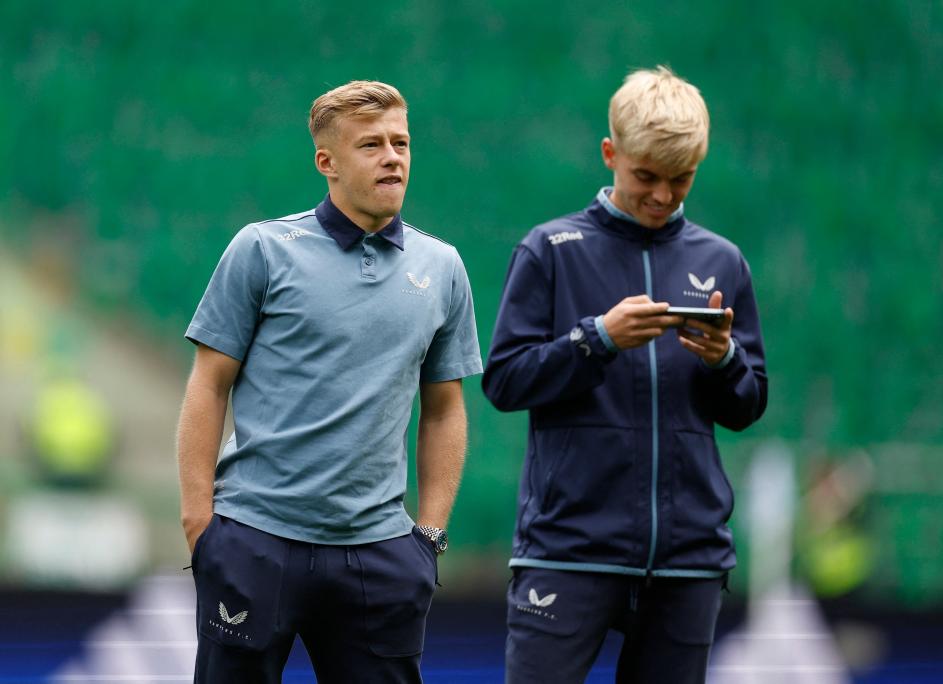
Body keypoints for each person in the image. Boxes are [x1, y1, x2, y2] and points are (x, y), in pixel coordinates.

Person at [177, 80, 483, 683]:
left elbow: (445, 406)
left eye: (401, 142)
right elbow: (208, 385)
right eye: (371, 144)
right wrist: (201, 526)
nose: (393, 156)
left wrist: (430, 536)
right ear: (327, 162)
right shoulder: (262, 249)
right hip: (256, 540)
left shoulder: (442, 266)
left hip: (381, 552)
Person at [482, 66, 768, 683]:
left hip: (689, 561)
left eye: (681, 178)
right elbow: (504, 380)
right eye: (646, 177)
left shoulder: (722, 260)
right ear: (610, 153)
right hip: (567, 552)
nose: (663, 195)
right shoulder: (550, 248)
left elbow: (748, 404)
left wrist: (722, 358)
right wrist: (597, 339)